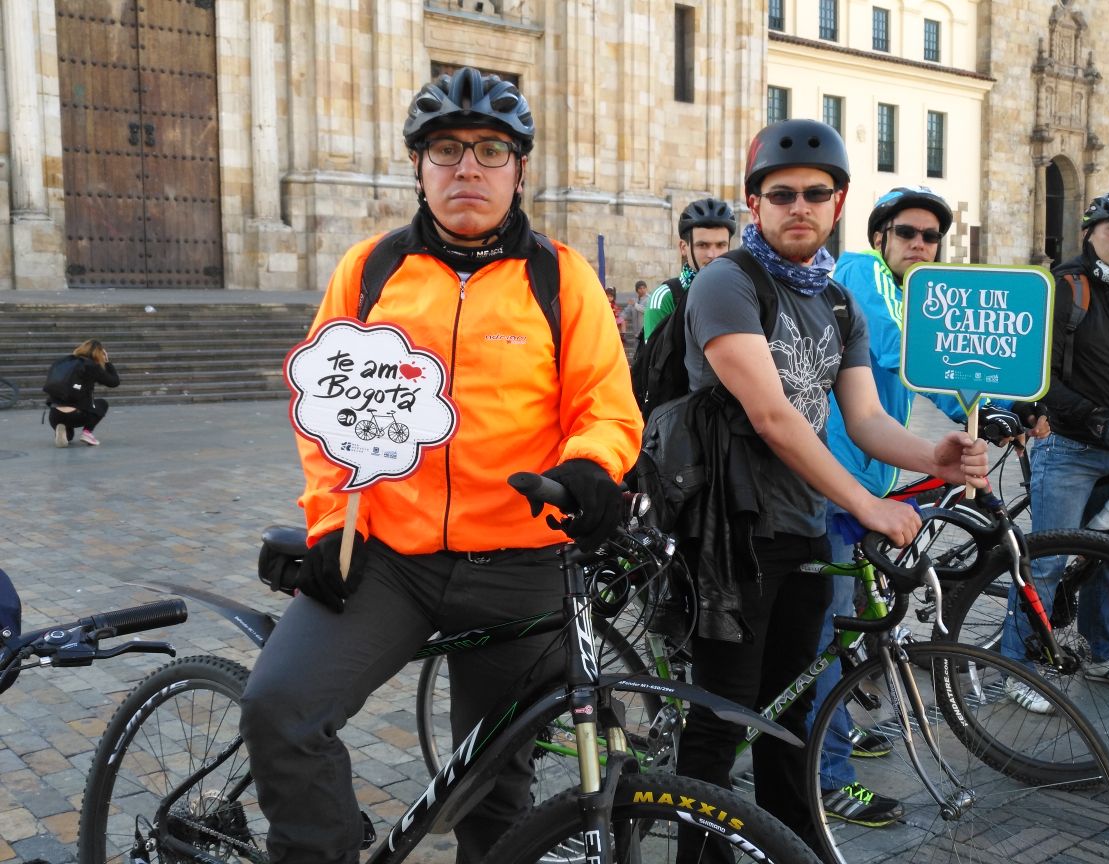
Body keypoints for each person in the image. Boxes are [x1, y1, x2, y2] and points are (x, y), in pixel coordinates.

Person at [238, 67, 642, 864]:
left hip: (519, 564)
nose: (468, 169)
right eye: (446, 150)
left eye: (491, 151)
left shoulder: (560, 277)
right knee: (280, 707)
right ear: (417, 167)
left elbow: (606, 404)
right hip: (388, 559)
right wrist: (327, 526)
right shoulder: (370, 269)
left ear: (519, 170)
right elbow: (325, 415)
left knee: (496, 789)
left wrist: (594, 465)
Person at [672, 119, 988, 859]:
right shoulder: (729, 282)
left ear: (839, 203)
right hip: (731, 537)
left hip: (803, 529)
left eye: (816, 194)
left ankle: (793, 843)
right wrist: (866, 503)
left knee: (792, 713)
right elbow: (774, 416)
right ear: (754, 206)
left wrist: (934, 455)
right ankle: (697, 850)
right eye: (780, 194)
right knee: (722, 720)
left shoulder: (837, 303)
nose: (798, 207)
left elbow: (868, 418)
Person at [811, 186, 1048, 827]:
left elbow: (934, 362)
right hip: (837, 484)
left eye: (930, 237)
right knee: (831, 640)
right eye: (908, 234)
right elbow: (904, 350)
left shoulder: (908, 287)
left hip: (872, 479)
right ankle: (826, 779)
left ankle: (833, 731)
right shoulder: (861, 274)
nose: (920, 245)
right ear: (881, 237)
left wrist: (987, 408)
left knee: (861, 625)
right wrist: (986, 403)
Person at [999, 191, 1109, 712]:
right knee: (1044, 564)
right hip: (1067, 449)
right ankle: (1015, 668)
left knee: (1107, 563)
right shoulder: (1065, 289)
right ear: (1090, 235)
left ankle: (1101, 653)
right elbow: (1033, 374)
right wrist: (1091, 416)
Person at [643, 197, 737, 340]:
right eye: (702, 245)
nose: (713, 255)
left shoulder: (740, 292)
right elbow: (654, 360)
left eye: (720, 245)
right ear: (683, 247)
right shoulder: (665, 298)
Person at [46, 339, 120, 447]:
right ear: (100, 354)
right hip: (78, 415)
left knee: (69, 436)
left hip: (55, 414)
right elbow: (114, 382)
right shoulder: (92, 367)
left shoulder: (63, 362)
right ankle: (87, 433)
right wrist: (107, 362)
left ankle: (61, 429)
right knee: (103, 403)